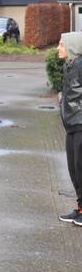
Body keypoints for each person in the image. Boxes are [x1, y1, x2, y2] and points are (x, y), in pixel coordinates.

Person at [57, 33, 82, 225]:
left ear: (72, 47)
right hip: (71, 124)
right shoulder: (70, 65)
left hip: (80, 123)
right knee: (74, 169)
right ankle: (81, 208)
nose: (58, 48)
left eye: (62, 45)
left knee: (80, 167)